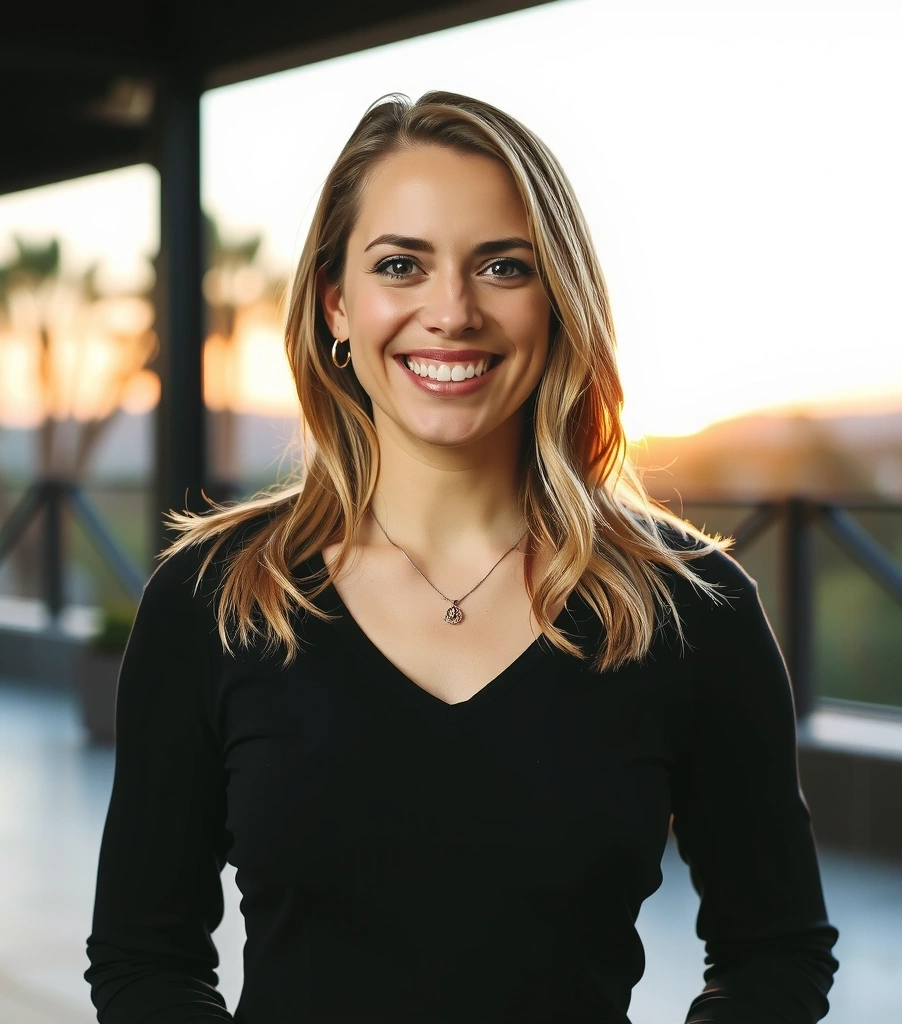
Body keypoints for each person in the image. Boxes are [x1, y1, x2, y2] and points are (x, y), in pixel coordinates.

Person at [84, 90, 840, 1023]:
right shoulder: (212, 600)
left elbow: (776, 954)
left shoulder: (694, 608)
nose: (452, 311)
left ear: (557, 301)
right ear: (336, 305)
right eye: (401, 265)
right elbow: (142, 958)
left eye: (503, 266)